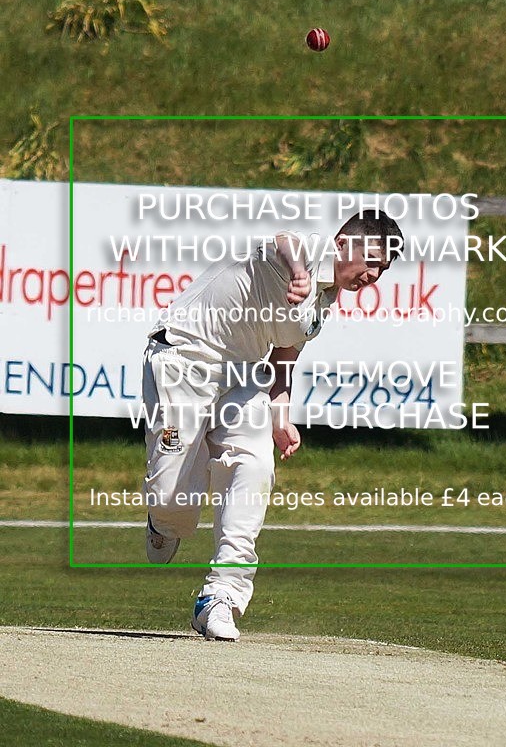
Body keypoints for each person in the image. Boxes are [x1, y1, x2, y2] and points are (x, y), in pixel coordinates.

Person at [141, 209, 403, 640]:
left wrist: (282, 419)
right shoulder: (310, 252)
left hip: (242, 374)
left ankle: (221, 597)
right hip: (182, 359)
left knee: (257, 465)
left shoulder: (324, 303)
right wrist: (299, 273)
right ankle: (163, 523)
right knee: (174, 505)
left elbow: (284, 363)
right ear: (343, 244)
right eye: (372, 259)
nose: (374, 274)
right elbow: (284, 240)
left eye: (384, 268)